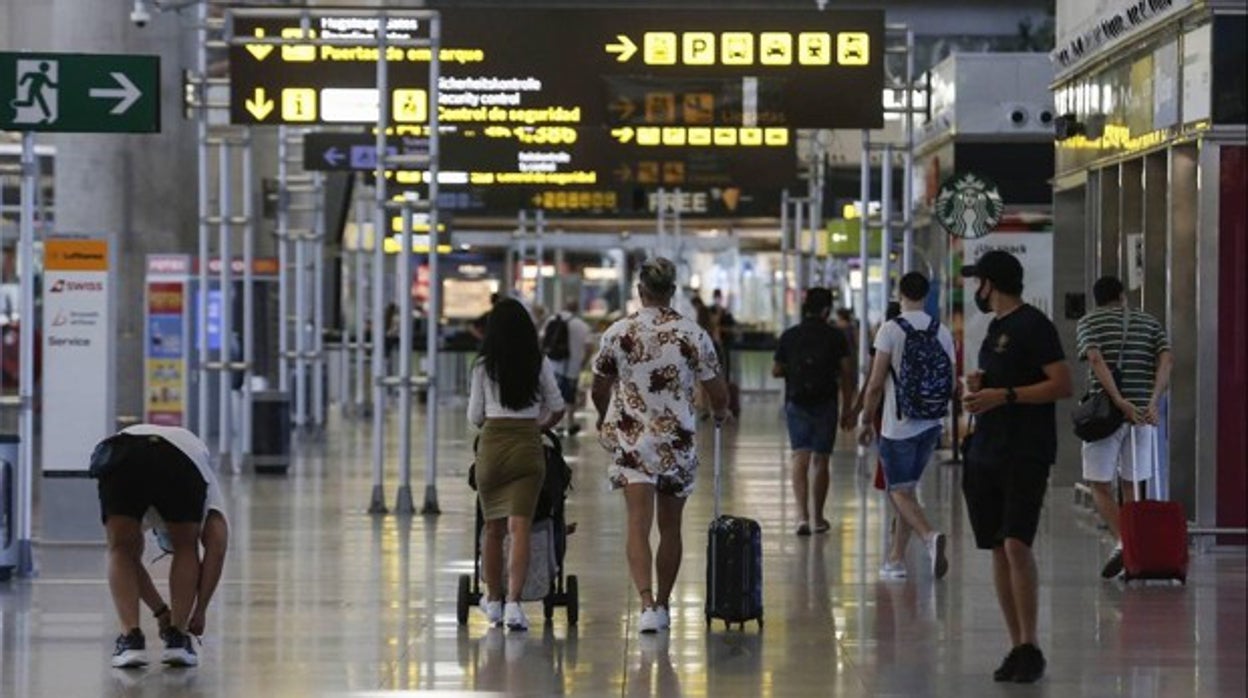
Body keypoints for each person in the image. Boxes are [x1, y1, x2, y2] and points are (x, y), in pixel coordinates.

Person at [591, 257, 728, 635]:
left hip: (633, 440)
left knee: (637, 524)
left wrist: (606, 415)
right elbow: (717, 389)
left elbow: (599, 387)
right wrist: (721, 412)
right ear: (672, 291)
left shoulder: (618, 332)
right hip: (677, 441)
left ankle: (647, 604)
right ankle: (665, 604)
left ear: (640, 291)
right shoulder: (692, 334)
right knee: (671, 527)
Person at [960, 250, 1072, 684]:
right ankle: (1016, 645)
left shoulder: (1034, 325)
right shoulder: (996, 328)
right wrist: (982, 385)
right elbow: (1006, 379)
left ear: (992, 284)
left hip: (1025, 451)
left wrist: (1003, 395)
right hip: (988, 448)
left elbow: (1061, 384)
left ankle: (1031, 643)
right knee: (996, 545)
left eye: (979, 283)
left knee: (1016, 544)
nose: (976, 291)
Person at [91, 424, 229, 669]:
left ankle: (131, 641)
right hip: (178, 457)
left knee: (120, 549)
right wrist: (200, 611)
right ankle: (177, 638)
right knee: (187, 546)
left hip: (122, 452)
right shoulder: (204, 472)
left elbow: (130, 561)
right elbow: (216, 547)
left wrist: (160, 611)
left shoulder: (146, 519)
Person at [468, 298, 566, 632]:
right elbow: (557, 406)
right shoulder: (538, 362)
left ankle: (492, 601)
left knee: (492, 530)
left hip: (493, 447)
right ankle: (513, 604)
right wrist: (537, 424)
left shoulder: (483, 366)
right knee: (519, 528)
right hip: (527, 446)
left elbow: (474, 416)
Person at [857, 273, 956, 581]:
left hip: (897, 425)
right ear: (927, 294)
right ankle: (896, 560)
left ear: (900, 293)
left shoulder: (890, 329)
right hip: (930, 424)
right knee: (908, 490)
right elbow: (951, 382)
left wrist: (864, 419)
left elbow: (875, 384)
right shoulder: (943, 331)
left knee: (898, 490)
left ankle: (929, 537)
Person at [1075, 275, 1172, 579]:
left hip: (1105, 414)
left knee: (1099, 484)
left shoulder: (1089, 322)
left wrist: (1118, 399)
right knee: (1133, 485)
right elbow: (1167, 359)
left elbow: (1094, 357)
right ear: (1122, 296)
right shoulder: (1149, 322)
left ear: (1097, 298)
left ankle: (1126, 544)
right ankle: (1132, 546)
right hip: (1142, 414)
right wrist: (1152, 402)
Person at [772, 287, 856, 536]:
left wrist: (795, 371)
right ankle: (818, 518)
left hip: (797, 402)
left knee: (800, 456)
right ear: (826, 310)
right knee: (821, 460)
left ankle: (801, 517)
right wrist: (848, 407)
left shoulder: (790, 335)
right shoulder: (836, 336)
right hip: (826, 402)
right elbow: (846, 373)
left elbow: (776, 370)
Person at [542, 300, 593, 436]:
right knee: (569, 396)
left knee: (553, 394)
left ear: (563, 307)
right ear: (577, 308)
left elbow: (542, 340)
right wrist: (583, 363)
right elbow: (589, 347)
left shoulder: (552, 320)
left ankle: (556, 425)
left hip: (552, 365)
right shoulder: (582, 325)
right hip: (572, 367)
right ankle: (570, 423)